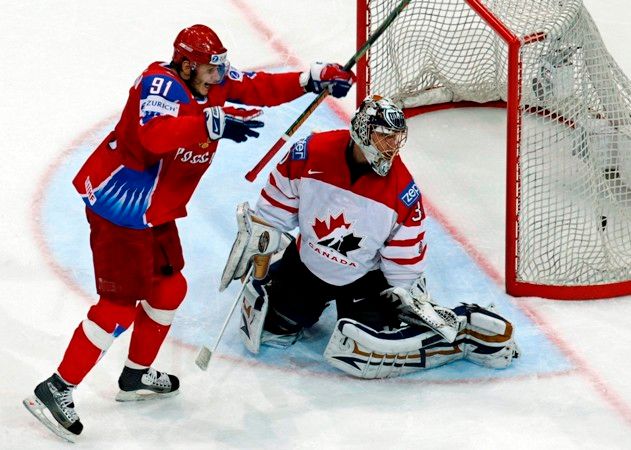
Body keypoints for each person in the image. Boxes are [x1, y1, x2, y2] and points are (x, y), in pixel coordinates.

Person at [23, 24, 355, 442]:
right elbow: (154, 134)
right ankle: (55, 389)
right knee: (119, 307)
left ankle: (134, 376)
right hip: (121, 209)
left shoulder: (209, 80)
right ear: (185, 65)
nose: (220, 75)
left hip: (154, 212)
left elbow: (258, 88)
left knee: (168, 289)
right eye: (211, 69)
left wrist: (311, 79)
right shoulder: (157, 84)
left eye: (220, 68)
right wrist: (211, 123)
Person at [220, 95, 519, 379]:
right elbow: (273, 212)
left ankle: (460, 326)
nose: (392, 146)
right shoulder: (309, 153)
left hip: (365, 279)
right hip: (308, 264)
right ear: (363, 132)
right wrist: (260, 238)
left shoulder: (402, 192)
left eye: (395, 138)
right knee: (277, 324)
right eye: (384, 136)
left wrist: (403, 292)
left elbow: (404, 261)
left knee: (364, 348)